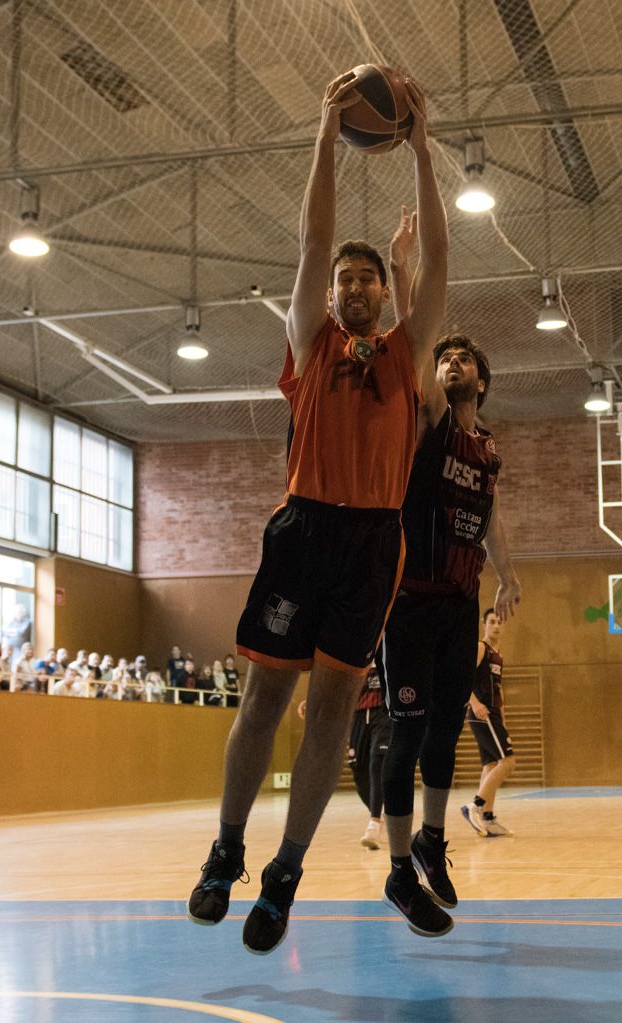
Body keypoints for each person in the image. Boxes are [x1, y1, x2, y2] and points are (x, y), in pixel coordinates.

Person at [185, 67, 446, 958]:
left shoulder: (410, 359)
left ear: (385, 291)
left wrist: (419, 148)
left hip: (374, 539)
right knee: (264, 695)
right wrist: (325, 138)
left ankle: (286, 872)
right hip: (303, 528)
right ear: (330, 295)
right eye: (345, 277)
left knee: (333, 706)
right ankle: (226, 848)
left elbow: (439, 263)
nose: (355, 283)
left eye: (369, 275)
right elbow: (310, 239)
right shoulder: (310, 340)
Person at [376, 318, 521, 935]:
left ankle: (433, 841)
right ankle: (400, 867)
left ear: (482, 381)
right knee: (405, 737)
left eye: (464, 359)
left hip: (462, 601)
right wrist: (409, 274)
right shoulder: (427, 424)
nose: (452, 363)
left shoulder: (487, 449)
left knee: (442, 735)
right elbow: (420, 337)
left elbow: (490, 519)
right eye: (445, 359)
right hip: (411, 599)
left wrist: (509, 578)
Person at [462, 608, 516, 837]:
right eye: (492, 621)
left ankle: (488, 817)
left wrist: (502, 717)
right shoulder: (480, 648)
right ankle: (474, 806)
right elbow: (462, 677)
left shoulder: (498, 655)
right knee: (508, 761)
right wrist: (474, 703)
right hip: (481, 712)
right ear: (484, 624)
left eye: (499, 622)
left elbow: (498, 689)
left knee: (491, 765)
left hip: (493, 713)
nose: (496, 626)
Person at [348, 661, 391, 849]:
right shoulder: (357, 649)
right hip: (358, 715)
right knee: (358, 771)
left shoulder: (390, 649)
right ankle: (381, 816)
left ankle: (373, 824)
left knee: (377, 763)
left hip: (383, 714)